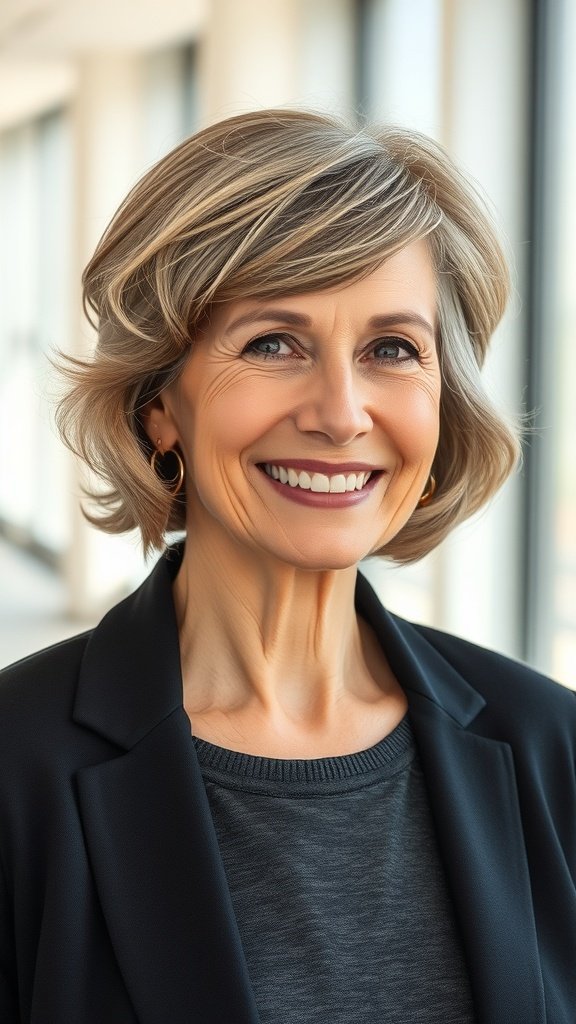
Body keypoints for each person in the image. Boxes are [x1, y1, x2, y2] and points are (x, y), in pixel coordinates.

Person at [0, 109, 574, 1024]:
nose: (342, 413)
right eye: (274, 343)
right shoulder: (15, 766)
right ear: (160, 405)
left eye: (392, 349)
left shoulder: (553, 745)